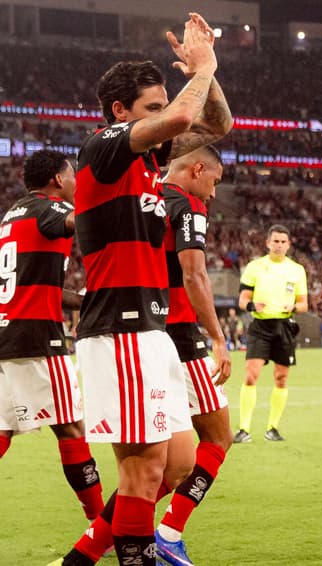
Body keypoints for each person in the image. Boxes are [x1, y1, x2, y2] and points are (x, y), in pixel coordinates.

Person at [57, 13, 233, 566]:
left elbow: (216, 123)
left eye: (162, 107)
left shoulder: (148, 160)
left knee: (179, 460)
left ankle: (82, 559)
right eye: (150, 109)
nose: (165, 120)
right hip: (121, 329)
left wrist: (210, 71)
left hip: (151, 332)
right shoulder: (103, 148)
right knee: (143, 471)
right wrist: (199, 70)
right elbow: (185, 111)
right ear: (119, 113)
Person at [0, 150, 104, 521]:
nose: (76, 182)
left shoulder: (12, 216)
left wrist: (89, 301)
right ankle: (100, 527)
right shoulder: (49, 208)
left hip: (6, 335)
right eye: (73, 175)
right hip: (38, 339)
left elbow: (42, 287)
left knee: (3, 429)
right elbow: (87, 219)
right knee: (72, 428)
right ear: (58, 180)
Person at [156, 145, 232, 565]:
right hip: (182, 338)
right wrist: (218, 338)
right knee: (218, 439)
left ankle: (114, 533)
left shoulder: (146, 194)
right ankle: (168, 532)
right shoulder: (186, 204)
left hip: (139, 334)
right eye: (214, 182)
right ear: (197, 169)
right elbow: (194, 273)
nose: (214, 194)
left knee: (155, 461)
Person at [233, 225, 308, 443]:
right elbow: (242, 300)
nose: (279, 245)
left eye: (283, 242)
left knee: (281, 378)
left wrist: (292, 306)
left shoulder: (297, 270)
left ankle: (272, 428)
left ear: (289, 244)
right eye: (275, 241)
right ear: (267, 243)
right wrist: (252, 306)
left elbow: (304, 304)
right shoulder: (255, 267)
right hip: (261, 326)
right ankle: (244, 429)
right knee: (250, 375)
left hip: (284, 326)